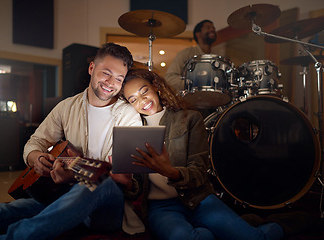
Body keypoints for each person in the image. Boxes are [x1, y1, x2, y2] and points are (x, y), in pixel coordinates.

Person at [0, 42, 142, 240]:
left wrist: (74, 174)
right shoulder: (66, 107)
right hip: (65, 195)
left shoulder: (129, 115)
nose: (111, 83)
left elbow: (124, 178)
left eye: (119, 78)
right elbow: (35, 142)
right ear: (92, 68)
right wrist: (37, 158)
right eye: (106, 73)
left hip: (107, 208)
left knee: (99, 184)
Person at [120, 68, 318, 240]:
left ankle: (284, 223)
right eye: (133, 99)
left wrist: (171, 172)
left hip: (198, 198)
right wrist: (127, 182)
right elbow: (137, 188)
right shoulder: (132, 130)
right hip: (162, 207)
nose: (142, 101)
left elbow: (199, 173)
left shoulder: (189, 119)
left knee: (254, 238)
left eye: (144, 91)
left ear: (156, 86)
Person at [165, 19, 217, 92]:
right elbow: (170, 78)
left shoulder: (217, 56)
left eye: (213, 28)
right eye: (208, 28)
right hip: (190, 100)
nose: (212, 30)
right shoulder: (186, 54)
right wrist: (193, 84)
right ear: (198, 34)